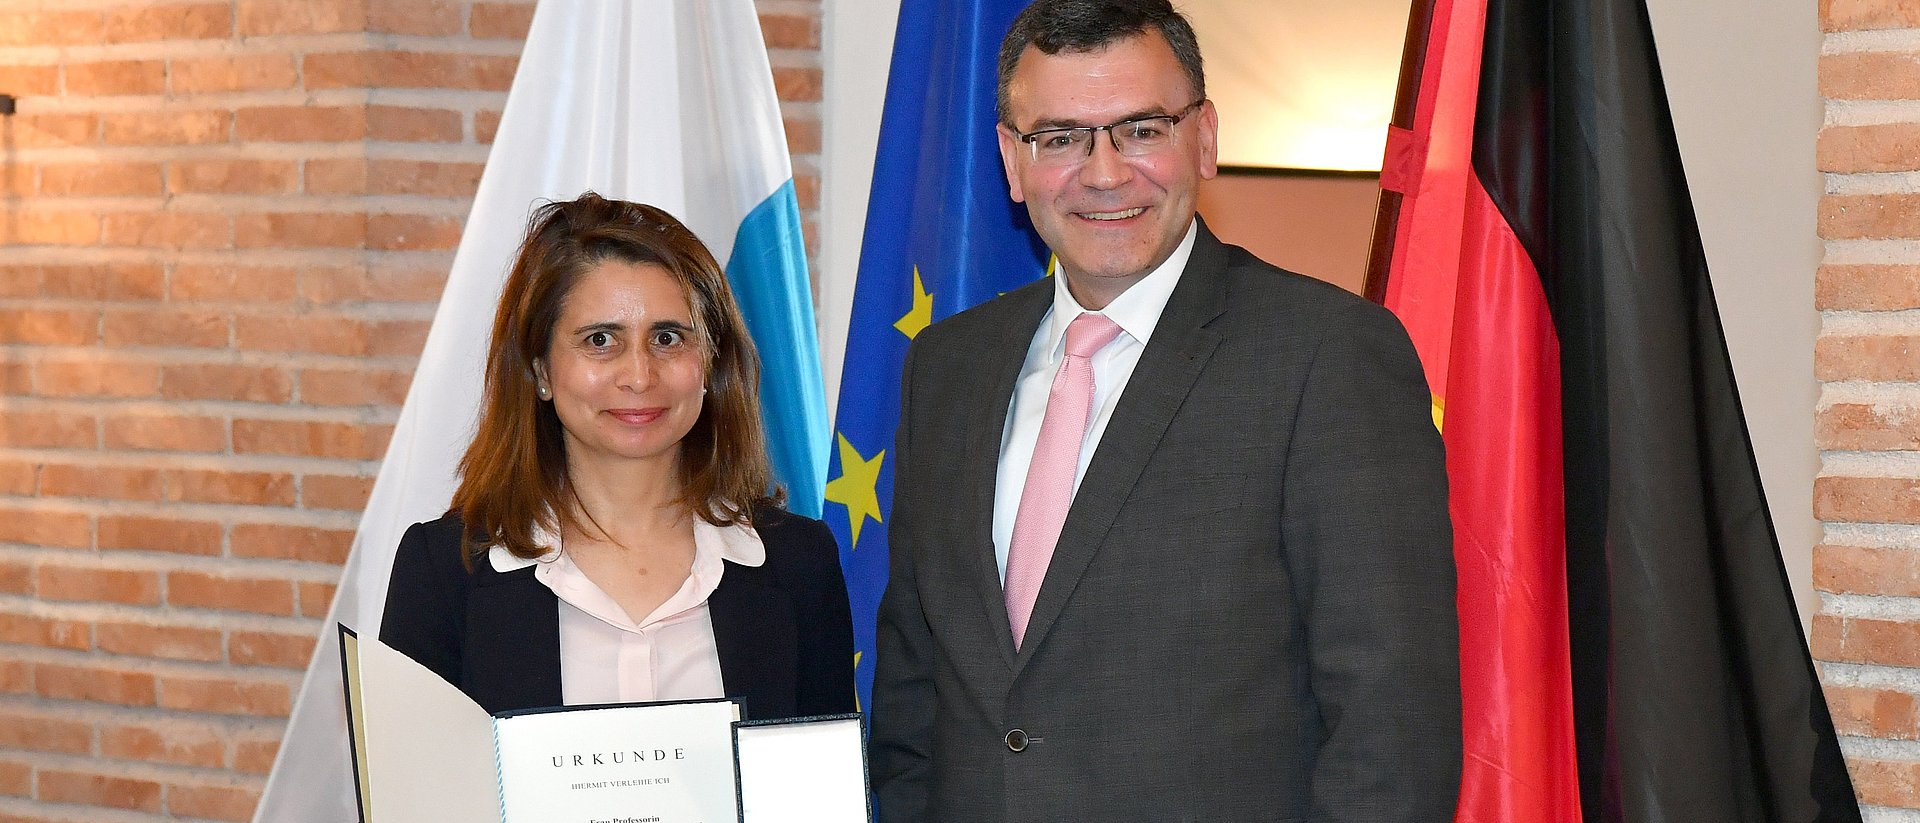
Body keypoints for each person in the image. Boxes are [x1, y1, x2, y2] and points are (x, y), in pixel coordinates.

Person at [867, 1, 1461, 819]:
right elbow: (912, 702)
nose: (1104, 173)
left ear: (1204, 138)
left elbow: (1389, 732)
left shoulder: (1328, 356)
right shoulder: (946, 368)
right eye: (1061, 138)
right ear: (1011, 159)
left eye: (1142, 129)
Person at [381, 193, 854, 723]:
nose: (639, 376)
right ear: (540, 369)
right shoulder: (443, 573)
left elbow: (822, 773)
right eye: (600, 339)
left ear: (711, 363)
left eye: (668, 338)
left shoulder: (800, 563)